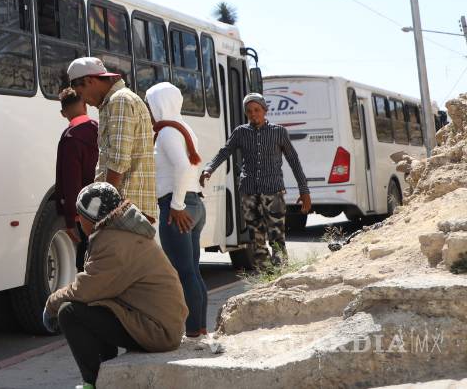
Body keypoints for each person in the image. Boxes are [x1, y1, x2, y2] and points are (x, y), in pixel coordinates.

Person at [44, 182, 187, 389]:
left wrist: (51, 304)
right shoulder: (122, 232)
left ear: (91, 218)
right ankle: (107, 373)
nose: (76, 219)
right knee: (98, 304)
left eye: (80, 215)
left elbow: (84, 290)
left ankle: (92, 383)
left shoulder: (113, 242)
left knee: (69, 312)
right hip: (162, 324)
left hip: (158, 332)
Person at [200, 92, 312, 272]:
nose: (253, 114)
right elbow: (224, 152)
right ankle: (266, 276)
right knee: (256, 238)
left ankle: (281, 274)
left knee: (276, 236)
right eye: (249, 111)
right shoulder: (240, 133)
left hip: (274, 191)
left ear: (264, 110)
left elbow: (294, 161)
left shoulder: (278, 132)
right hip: (249, 192)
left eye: (257, 110)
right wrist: (209, 168)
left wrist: (304, 191)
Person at [145, 82, 208, 337]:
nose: (148, 109)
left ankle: (193, 330)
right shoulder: (183, 127)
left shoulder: (168, 132)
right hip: (193, 204)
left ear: (158, 104)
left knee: (183, 273)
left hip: (179, 207)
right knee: (191, 271)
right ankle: (199, 328)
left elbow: (182, 166)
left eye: (150, 103)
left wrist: (176, 205)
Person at [67, 57, 157, 225]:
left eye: (80, 94)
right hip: (124, 210)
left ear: (89, 80)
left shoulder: (119, 100)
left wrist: (101, 210)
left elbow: (118, 161)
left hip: (123, 211)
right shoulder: (114, 101)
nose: (83, 101)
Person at [55, 86, 99, 272]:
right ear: (85, 106)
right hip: (104, 204)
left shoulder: (70, 137)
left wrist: (71, 220)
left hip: (85, 210)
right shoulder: (99, 128)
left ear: (63, 113)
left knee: (85, 260)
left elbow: (71, 182)